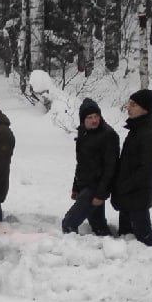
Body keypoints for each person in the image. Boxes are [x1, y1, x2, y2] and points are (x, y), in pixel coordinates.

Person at [110, 88, 152, 246]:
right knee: (126, 238)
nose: (128, 108)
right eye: (128, 104)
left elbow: (147, 169)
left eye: (133, 105)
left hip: (137, 194)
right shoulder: (138, 128)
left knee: (145, 239)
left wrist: (124, 186)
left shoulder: (151, 133)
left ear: (144, 108)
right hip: (128, 193)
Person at [62, 98, 120, 236]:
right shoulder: (84, 133)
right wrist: (76, 187)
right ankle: (109, 250)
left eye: (96, 116)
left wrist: (101, 194)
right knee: (98, 226)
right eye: (90, 117)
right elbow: (81, 163)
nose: (94, 120)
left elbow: (110, 168)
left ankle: (71, 252)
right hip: (85, 186)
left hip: (95, 188)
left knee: (68, 224)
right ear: (83, 120)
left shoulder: (109, 136)